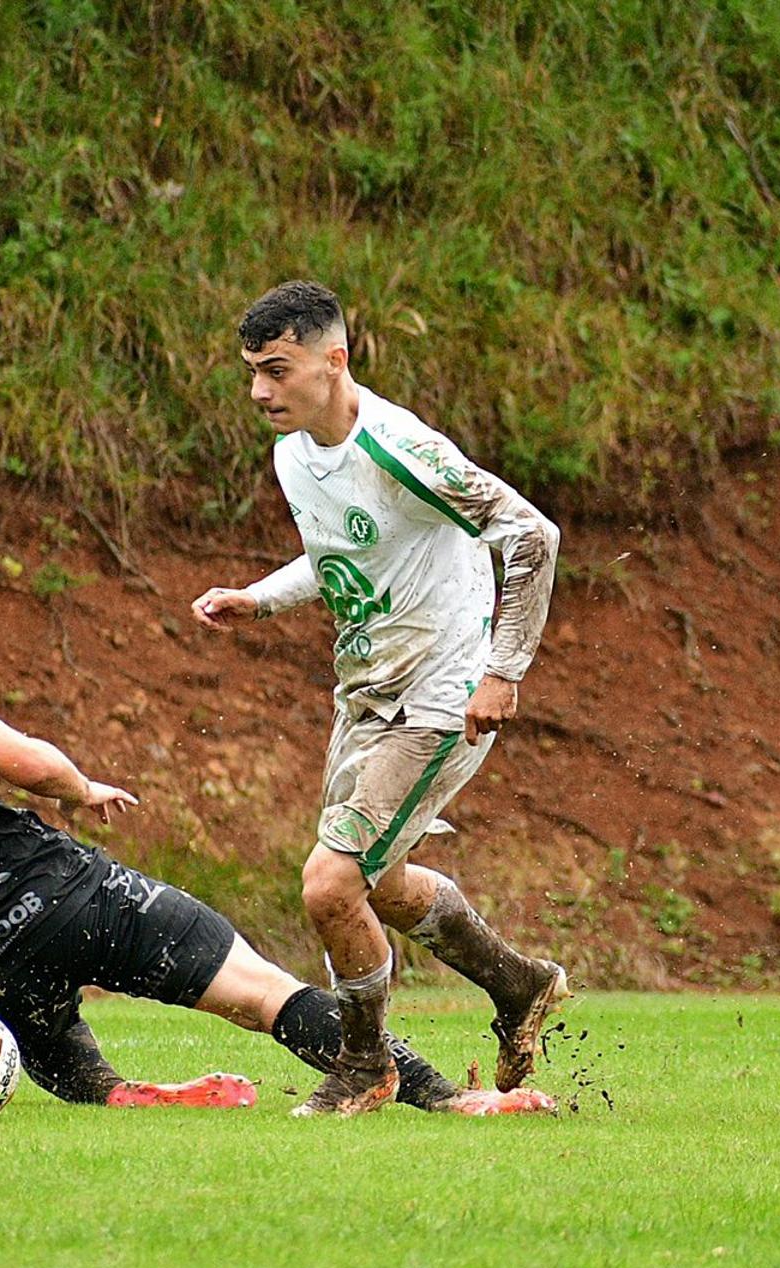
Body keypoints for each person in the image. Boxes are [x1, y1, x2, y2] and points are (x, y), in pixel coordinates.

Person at [0, 566, 550, 1117]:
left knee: (74, 1070)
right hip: (64, 894)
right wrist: (80, 787)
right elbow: (18, 761)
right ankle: (451, 1101)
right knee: (263, 993)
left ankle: (122, 1094)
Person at [191, 280, 571, 1117]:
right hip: (364, 693)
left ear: (336, 361)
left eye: (276, 370)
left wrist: (502, 671)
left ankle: (366, 1064)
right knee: (382, 883)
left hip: (441, 696)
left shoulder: (402, 448)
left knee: (330, 885)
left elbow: (531, 535)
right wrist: (259, 596)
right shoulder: (294, 451)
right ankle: (520, 983)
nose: (259, 390)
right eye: (252, 371)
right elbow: (339, 556)